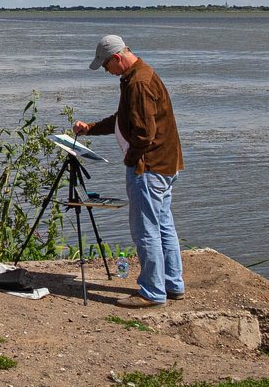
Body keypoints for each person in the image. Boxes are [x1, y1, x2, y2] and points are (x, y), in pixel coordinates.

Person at [73, 34, 185, 308]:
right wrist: (91, 128)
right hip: (165, 164)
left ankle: (153, 293)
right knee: (163, 226)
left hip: (148, 168)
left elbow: (144, 134)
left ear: (117, 58)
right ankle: (172, 285)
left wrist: (132, 161)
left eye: (105, 66)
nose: (105, 71)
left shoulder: (138, 82)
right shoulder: (140, 75)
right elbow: (124, 120)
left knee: (145, 230)